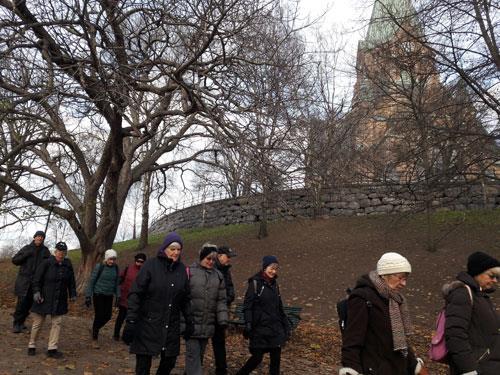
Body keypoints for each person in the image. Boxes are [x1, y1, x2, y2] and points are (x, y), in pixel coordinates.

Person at [339, 252, 427, 375]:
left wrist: (414, 365)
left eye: (405, 279)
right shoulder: (362, 298)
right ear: (386, 274)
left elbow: (400, 341)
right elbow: (352, 341)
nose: (404, 283)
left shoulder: (395, 299)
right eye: (400, 278)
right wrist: (352, 369)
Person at [123, 232, 193, 375]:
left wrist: (189, 321)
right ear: (165, 248)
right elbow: (136, 293)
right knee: (143, 367)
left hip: (171, 326)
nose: (176, 252)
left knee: (169, 361)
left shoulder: (182, 270)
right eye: (172, 248)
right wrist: (131, 320)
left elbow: (185, 299)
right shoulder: (150, 265)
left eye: (179, 249)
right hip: (148, 324)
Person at [444, 251, 500, 375]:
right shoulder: (462, 293)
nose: (495, 280)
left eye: (498, 277)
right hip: (476, 369)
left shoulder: (481, 296)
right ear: (477, 271)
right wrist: (468, 369)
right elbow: (455, 333)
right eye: (492, 275)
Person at [236, 255, 290, 375]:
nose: (273, 271)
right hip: (259, 329)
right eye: (271, 268)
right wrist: (248, 323)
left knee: (276, 361)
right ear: (265, 267)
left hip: (275, 329)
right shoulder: (255, 283)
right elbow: (248, 306)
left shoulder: (275, 285)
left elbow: (279, 308)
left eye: (276, 269)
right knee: (257, 358)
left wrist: (286, 326)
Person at [184, 243, 228, 375]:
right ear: (201, 257)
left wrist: (223, 320)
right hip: (191, 324)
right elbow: (183, 298)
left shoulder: (218, 276)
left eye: (213, 260)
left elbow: (221, 300)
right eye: (208, 258)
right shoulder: (189, 272)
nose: (211, 262)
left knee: (198, 357)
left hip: (207, 325)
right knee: (193, 357)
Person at [28, 241, 76, 358]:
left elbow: (71, 282)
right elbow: (36, 279)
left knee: (57, 323)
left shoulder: (68, 264)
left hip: (60, 299)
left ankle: (52, 348)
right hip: (43, 298)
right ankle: (32, 344)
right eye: (59, 251)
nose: (61, 254)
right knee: (38, 323)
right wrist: (36, 292)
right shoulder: (46, 263)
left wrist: (73, 294)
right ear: (55, 252)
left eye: (63, 252)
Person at [12, 230, 51, 333]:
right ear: (34, 237)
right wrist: (26, 254)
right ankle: (16, 324)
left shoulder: (45, 251)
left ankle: (22, 322)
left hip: (36, 283)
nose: (40, 238)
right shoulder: (27, 248)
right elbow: (15, 260)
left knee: (29, 304)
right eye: (38, 236)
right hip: (24, 282)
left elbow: (49, 266)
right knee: (21, 304)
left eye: (42, 237)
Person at [85, 249, 120, 348]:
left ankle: (94, 329)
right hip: (98, 294)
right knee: (99, 315)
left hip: (109, 295)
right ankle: (95, 339)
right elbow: (91, 281)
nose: (112, 261)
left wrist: (118, 296)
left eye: (114, 259)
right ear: (106, 258)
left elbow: (117, 284)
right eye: (110, 259)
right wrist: (88, 296)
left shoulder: (116, 268)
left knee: (108, 316)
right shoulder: (99, 267)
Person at [212, 245, 237, 375]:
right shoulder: (212, 268)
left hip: (221, 313)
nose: (229, 260)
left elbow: (230, 288)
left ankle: (221, 370)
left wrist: (229, 298)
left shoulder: (226, 270)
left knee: (219, 343)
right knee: (201, 343)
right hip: (210, 313)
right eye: (228, 257)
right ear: (220, 256)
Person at [113, 252, 147, 341]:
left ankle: (127, 337)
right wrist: (117, 291)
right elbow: (119, 280)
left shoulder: (145, 272)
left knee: (132, 320)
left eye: (142, 262)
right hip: (125, 298)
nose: (140, 263)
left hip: (136, 300)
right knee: (121, 317)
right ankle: (116, 334)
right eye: (138, 261)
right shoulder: (128, 269)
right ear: (135, 260)